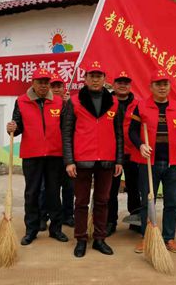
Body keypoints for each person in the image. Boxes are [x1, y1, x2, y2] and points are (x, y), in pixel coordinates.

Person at [61, 61, 124, 258]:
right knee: (80, 202)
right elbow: (67, 133)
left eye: (99, 76)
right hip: (82, 160)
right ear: (85, 78)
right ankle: (80, 239)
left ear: (105, 79)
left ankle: (99, 238)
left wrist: (119, 160)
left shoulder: (114, 103)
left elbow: (119, 133)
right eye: (92, 76)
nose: (95, 79)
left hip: (106, 160)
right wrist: (69, 161)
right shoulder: (74, 101)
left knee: (102, 201)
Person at [129, 70, 176, 254]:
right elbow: (132, 131)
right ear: (151, 87)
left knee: (171, 202)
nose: (162, 87)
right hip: (149, 162)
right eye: (158, 84)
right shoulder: (141, 106)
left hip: (173, 164)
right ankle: (146, 236)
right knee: (148, 201)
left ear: (170, 86)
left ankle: (169, 238)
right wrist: (140, 145)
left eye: (165, 84)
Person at [6, 68, 69, 246]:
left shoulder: (58, 102)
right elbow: (17, 128)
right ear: (33, 83)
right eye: (39, 82)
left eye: (46, 82)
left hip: (54, 155)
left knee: (54, 193)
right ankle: (31, 230)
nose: (43, 85)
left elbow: (66, 128)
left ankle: (56, 229)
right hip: (31, 155)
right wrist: (12, 127)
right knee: (31, 193)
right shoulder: (22, 101)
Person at [107, 71, 142, 236]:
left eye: (126, 82)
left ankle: (136, 220)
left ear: (130, 85)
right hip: (112, 153)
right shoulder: (106, 102)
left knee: (134, 188)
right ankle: (109, 222)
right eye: (119, 82)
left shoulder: (138, 104)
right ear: (113, 84)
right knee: (110, 189)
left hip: (133, 153)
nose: (123, 85)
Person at [38, 73, 74, 231]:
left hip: (67, 153)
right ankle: (43, 216)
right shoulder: (43, 104)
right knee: (46, 188)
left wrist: (68, 105)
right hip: (49, 153)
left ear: (64, 87)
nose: (56, 89)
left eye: (59, 86)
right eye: (53, 86)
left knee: (69, 187)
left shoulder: (70, 103)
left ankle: (68, 215)